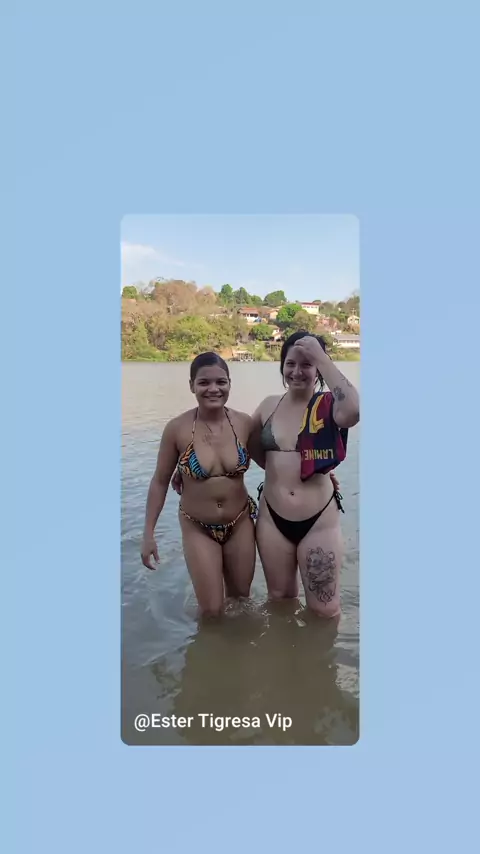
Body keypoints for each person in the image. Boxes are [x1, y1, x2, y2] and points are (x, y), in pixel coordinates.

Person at [248, 331, 360, 620]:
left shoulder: (329, 406)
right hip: (272, 520)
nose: (297, 371)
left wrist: (321, 356)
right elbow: (246, 446)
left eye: (307, 364)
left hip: (318, 521)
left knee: (325, 611)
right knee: (279, 602)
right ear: (282, 366)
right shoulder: (268, 405)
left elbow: (353, 411)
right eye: (290, 364)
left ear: (318, 369)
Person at [140, 352, 257, 618]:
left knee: (241, 601)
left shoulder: (244, 423)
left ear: (230, 384)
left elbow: (275, 461)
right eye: (204, 382)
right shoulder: (177, 429)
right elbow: (159, 482)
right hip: (198, 527)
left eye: (221, 382)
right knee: (211, 611)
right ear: (192, 385)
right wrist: (148, 534)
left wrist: (320, 473)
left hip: (240, 522)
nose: (213, 389)